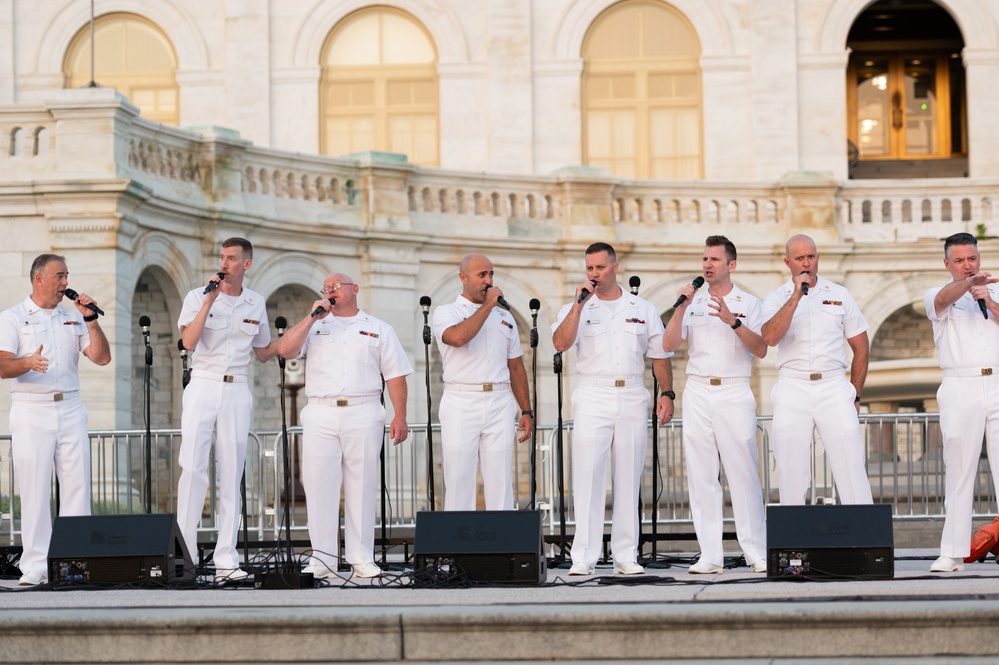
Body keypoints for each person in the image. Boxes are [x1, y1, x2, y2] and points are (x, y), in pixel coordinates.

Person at [277, 273, 412, 579]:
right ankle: (323, 558)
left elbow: (396, 375)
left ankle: (360, 556)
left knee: (361, 485)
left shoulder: (378, 329)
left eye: (336, 285)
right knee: (319, 486)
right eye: (326, 287)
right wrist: (312, 317)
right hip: (322, 411)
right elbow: (286, 350)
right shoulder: (315, 326)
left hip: (363, 409)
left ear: (355, 289)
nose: (330, 290)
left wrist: (399, 415)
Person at [552, 242, 674, 576]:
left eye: (600, 268)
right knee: (588, 475)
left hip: (632, 393)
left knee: (628, 475)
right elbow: (560, 344)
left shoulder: (642, 308)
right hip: (593, 394)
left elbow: (660, 355)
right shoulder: (575, 307)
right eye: (589, 268)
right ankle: (584, 556)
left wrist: (668, 393)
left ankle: (625, 555)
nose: (594, 274)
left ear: (615, 267)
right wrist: (578, 307)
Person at [0, 254, 111, 586]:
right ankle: (35, 564)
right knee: (34, 487)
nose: (66, 282)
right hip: (32, 409)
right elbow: (3, 366)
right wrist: (28, 363)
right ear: (39, 279)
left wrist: (91, 320)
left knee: (77, 485)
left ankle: (76, 562)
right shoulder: (13, 318)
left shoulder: (72, 316)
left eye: (66, 276)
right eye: (59, 276)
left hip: (70, 407)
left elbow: (102, 357)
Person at [176, 237, 279, 583]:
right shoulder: (197, 295)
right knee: (192, 469)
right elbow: (188, 342)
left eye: (232, 258)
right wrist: (209, 301)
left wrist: (303, 331)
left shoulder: (255, 302)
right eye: (222, 257)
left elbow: (264, 350)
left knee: (232, 475)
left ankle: (226, 561)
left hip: (237, 387)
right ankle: (185, 558)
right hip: (203, 382)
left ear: (246, 264)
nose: (225, 263)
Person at [663, 236, 768, 574]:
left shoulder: (749, 302)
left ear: (731, 265)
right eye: (704, 259)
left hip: (734, 390)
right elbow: (668, 344)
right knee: (702, 474)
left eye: (715, 260)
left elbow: (762, 348)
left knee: (743, 473)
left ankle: (756, 551)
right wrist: (680, 305)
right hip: (697, 390)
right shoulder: (691, 302)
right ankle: (710, 554)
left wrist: (733, 321)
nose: (707, 265)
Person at [761, 234, 873, 506]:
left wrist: (855, 394)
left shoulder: (839, 294)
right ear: (788, 262)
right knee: (790, 469)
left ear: (818, 258)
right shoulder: (777, 298)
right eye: (799, 258)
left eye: (811, 256)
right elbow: (770, 337)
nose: (806, 263)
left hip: (833, 385)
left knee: (851, 464)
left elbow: (861, 347)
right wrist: (796, 297)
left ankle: (864, 542)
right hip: (792, 386)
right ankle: (794, 545)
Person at [432, 253, 533, 511]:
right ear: (463, 278)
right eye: (482, 275)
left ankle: (502, 546)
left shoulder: (505, 317)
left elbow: (516, 366)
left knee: (500, 479)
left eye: (491, 274)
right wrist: (488, 306)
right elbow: (456, 338)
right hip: (461, 400)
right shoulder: (446, 312)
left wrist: (526, 410)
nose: (488, 280)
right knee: (458, 479)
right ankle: (456, 546)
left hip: (499, 400)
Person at [923, 232, 999, 572]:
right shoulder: (940, 294)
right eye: (959, 260)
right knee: (959, 470)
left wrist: (991, 300)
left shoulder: (994, 291)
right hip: (960, 383)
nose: (967, 265)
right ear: (947, 264)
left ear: (979, 258)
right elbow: (941, 300)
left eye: (971, 259)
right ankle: (952, 553)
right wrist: (968, 286)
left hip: (997, 379)